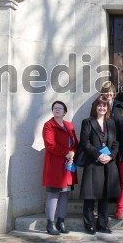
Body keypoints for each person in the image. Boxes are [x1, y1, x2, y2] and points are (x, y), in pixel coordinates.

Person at [79, 96, 120, 234]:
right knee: (90, 195)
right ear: (95, 107)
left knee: (104, 196)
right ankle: (89, 224)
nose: (102, 108)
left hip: (108, 164)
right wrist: (98, 155)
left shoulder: (111, 123)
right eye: (99, 105)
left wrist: (110, 156)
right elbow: (85, 143)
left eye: (105, 106)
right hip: (93, 163)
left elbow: (115, 143)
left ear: (108, 108)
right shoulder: (87, 122)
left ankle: (103, 224)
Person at [41, 100, 78, 235]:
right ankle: (50, 224)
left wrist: (72, 152)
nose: (57, 110)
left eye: (60, 108)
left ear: (65, 112)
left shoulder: (69, 125)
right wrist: (66, 153)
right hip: (54, 165)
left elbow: (75, 143)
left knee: (65, 194)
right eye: (55, 108)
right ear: (52, 111)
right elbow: (50, 145)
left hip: (68, 165)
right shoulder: (48, 125)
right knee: (54, 193)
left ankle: (60, 222)